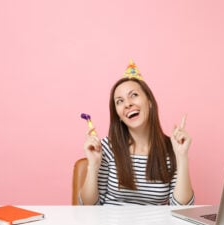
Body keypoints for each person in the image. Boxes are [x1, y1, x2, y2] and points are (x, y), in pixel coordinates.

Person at [79, 60, 194, 205]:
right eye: (119, 101)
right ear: (118, 116)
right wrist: (94, 165)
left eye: (133, 95)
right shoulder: (107, 148)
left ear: (150, 102)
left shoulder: (172, 148)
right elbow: (89, 207)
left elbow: (181, 207)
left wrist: (182, 157)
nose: (127, 104)